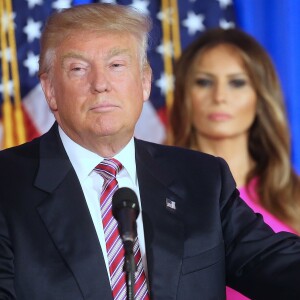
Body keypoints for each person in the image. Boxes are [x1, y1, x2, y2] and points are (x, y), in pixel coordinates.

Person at [0, 4, 300, 300]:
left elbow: (274, 263)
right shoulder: (7, 186)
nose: (100, 84)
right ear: (50, 88)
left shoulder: (202, 179)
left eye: (117, 65)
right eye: (78, 69)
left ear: (144, 82)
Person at [168, 27, 300, 299]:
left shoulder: (295, 195)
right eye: (204, 82)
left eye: (237, 82)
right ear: (183, 96)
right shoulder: (155, 192)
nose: (219, 97)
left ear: (261, 96)